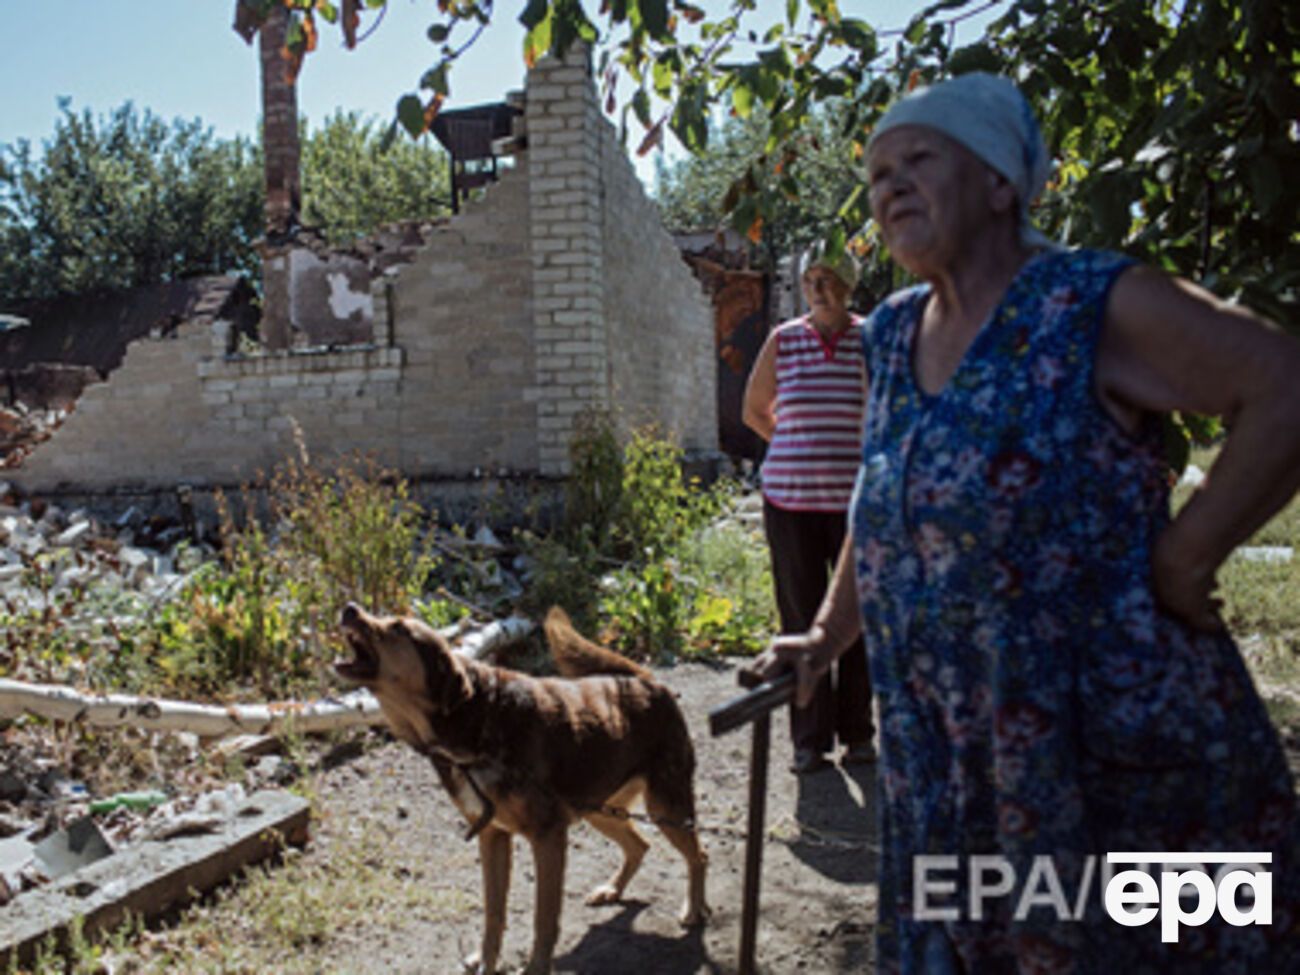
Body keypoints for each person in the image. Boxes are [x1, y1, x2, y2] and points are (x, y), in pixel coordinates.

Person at [755, 72, 1300, 971]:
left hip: (1099, 739)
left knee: (1135, 944)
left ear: (1002, 182)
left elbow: (1281, 381)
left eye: (919, 158)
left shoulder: (1087, 300)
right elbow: (886, 502)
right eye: (878, 170)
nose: (888, 183)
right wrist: (823, 634)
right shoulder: (888, 333)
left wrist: (1187, 554)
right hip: (950, 756)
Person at [743, 242, 875, 774]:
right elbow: (754, 411)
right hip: (790, 502)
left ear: (848, 284)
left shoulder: (871, 339)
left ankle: (859, 733)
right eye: (810, 280)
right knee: (800, 617)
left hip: (856, 507)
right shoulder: (785, 340)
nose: (818, 290)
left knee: (857, 619)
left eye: (828, 280)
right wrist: (795, 443)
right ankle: (809, 740)